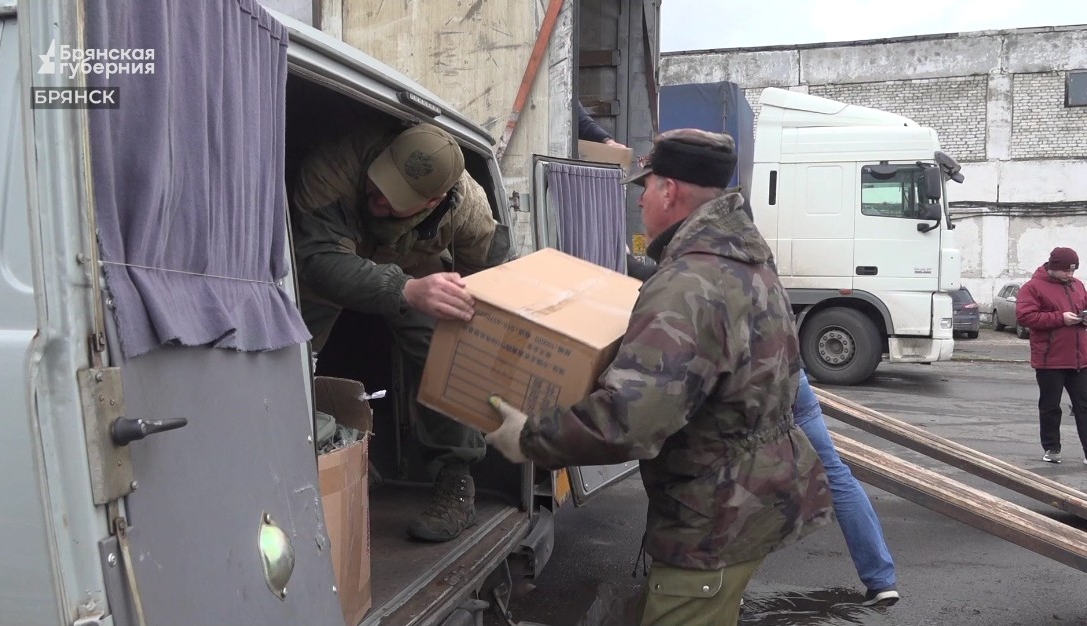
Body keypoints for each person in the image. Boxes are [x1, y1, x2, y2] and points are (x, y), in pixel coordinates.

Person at [486, 128, 833, 626]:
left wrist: (529, 436)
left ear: (669, 190)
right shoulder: (744, 258)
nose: (642, 200)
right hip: (751, 498)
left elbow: (630, 420)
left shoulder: (687, 283)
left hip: (713, 517)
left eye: (644, 188)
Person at [291, 122, 511, 542]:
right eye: (377, 185)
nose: (378, 199)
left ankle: (455, 480)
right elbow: (316, 260)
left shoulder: (468, 208)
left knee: (447, 349)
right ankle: (319, 455)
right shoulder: (332, 169)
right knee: (290, 351)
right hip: (330, 266)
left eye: (395, 200)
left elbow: (493, 274)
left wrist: (480, 324)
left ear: (433, 202)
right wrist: (404, 289)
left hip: (414, 268)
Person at [794, 370, 900, 606]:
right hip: (790, 375)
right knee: (835, 472)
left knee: (735, 477)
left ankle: (727, 586)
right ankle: (882, 581)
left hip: (745, 382)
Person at [1015, 246, 1087, 465]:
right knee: (1050, 406)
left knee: (1084, 405)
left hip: (1079, 358)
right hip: (1049, 360)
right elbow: (1025, 317)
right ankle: (1052, 448)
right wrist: (1060, 318)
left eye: (1073, 270)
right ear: (1053, 267)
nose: (1070, 275)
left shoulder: (1078, 286)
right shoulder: (1033, 287)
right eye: (1066, 270)